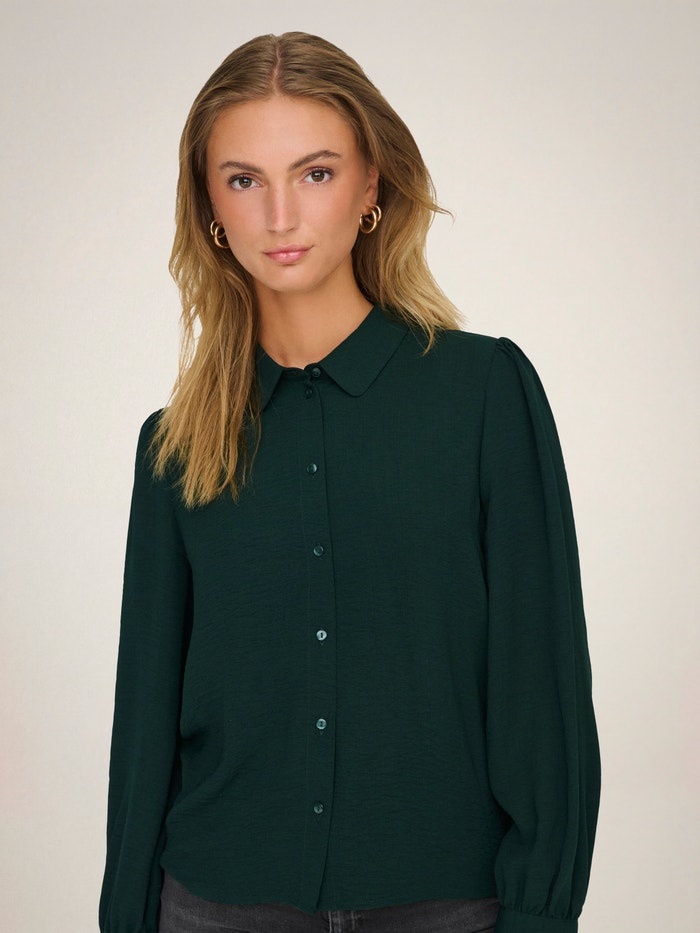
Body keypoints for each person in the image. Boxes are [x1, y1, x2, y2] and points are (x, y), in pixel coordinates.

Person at [99, 31, 600, 933]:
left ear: (372, 186)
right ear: (209, 206)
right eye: (244, 179)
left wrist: (540, 909)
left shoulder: (484, 394)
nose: (280, 214)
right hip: (215, 902)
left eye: (316, 173)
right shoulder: (174, 446)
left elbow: (541, 687)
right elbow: (144, 721)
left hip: (445, 903)